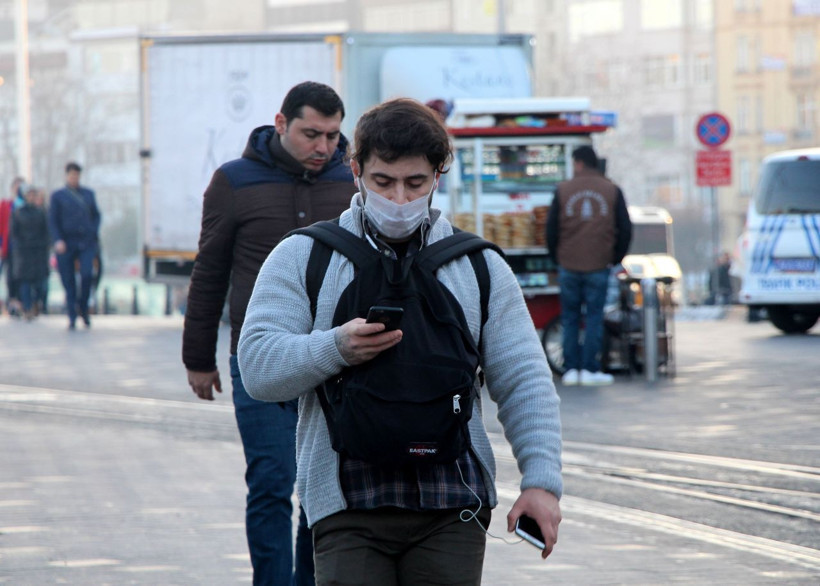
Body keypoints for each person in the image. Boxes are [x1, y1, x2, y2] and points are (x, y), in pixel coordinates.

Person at [238, 98, 563, 585]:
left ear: (438, 175)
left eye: (416, 183)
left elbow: (524, 378)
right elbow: (258, 369)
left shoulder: (478, 266)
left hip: (453, 505)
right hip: (346, 506)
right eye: (383, 182)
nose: (400, 199)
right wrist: (335, 348)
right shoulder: (304, 257)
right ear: (355, 171)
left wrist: (541, 483)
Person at [182, 81, 356, 586]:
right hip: (257, 358)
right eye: (310, 134)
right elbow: (210, 271)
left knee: (319, 484)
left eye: (331, 135)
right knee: (272, 480)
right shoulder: (234, 181)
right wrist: (199, 358)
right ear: (281, 125)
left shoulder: (352, 181)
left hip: (332, 360)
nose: (323, 147)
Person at [547, 145, 631, 386]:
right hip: (598, 265)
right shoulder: (612, 190)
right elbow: (625, 228)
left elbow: (551, 229)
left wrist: (557, 257)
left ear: (579, 163)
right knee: (594, 317)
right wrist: (614, 258)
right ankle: (591, 369)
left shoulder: (563, 189)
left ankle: (571, 369)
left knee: (570, 317)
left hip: (568, 265)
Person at [49, 162, 101, 329]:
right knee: (68, 280)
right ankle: (72, 314)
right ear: (66, 176)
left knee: (87, 275)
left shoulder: (88, 194)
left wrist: (92, 232)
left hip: (86, 242)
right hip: (66, 243)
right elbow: (53, 220)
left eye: (77, 175)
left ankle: (83, 308)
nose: (74, 178)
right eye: (71, 175)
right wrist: (58, 240)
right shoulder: (58, 196)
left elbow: (96, 216)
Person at [10, 183, 50, 320]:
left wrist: (45, 246)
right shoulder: (18, 212)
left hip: (38, 252)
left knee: (40, 283)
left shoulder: (41, 212)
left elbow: (46, 232)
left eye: (34, 194)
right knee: (25, 282)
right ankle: (27, 308)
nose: (32, 197)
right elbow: (14, 233)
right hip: (24, 252)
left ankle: (36, 304)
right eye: (30, 195)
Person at [1, 177, 26, 317]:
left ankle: (22, 303)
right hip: (9, 248)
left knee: (22, 277)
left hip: (24, 250)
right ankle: (12, 303)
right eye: (17, 188)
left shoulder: (28, 206)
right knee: (10, 276)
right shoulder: (6, 205)